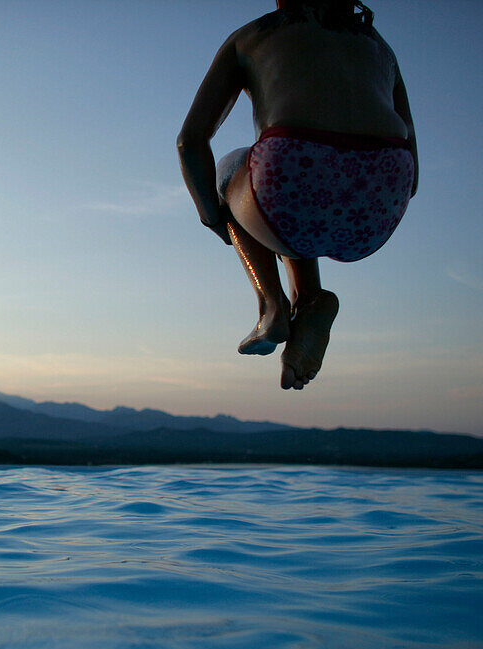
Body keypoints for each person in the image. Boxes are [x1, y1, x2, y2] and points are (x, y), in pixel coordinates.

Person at [177, 0, 417, 390]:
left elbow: (190, 143)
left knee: (232, 172)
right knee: (296, 190)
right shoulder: (380, 48)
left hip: (290, 181)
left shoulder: (252, 36)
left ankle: (271, 307)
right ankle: (310, 297)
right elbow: (415, 167)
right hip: (381, 204)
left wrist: (217, 219)